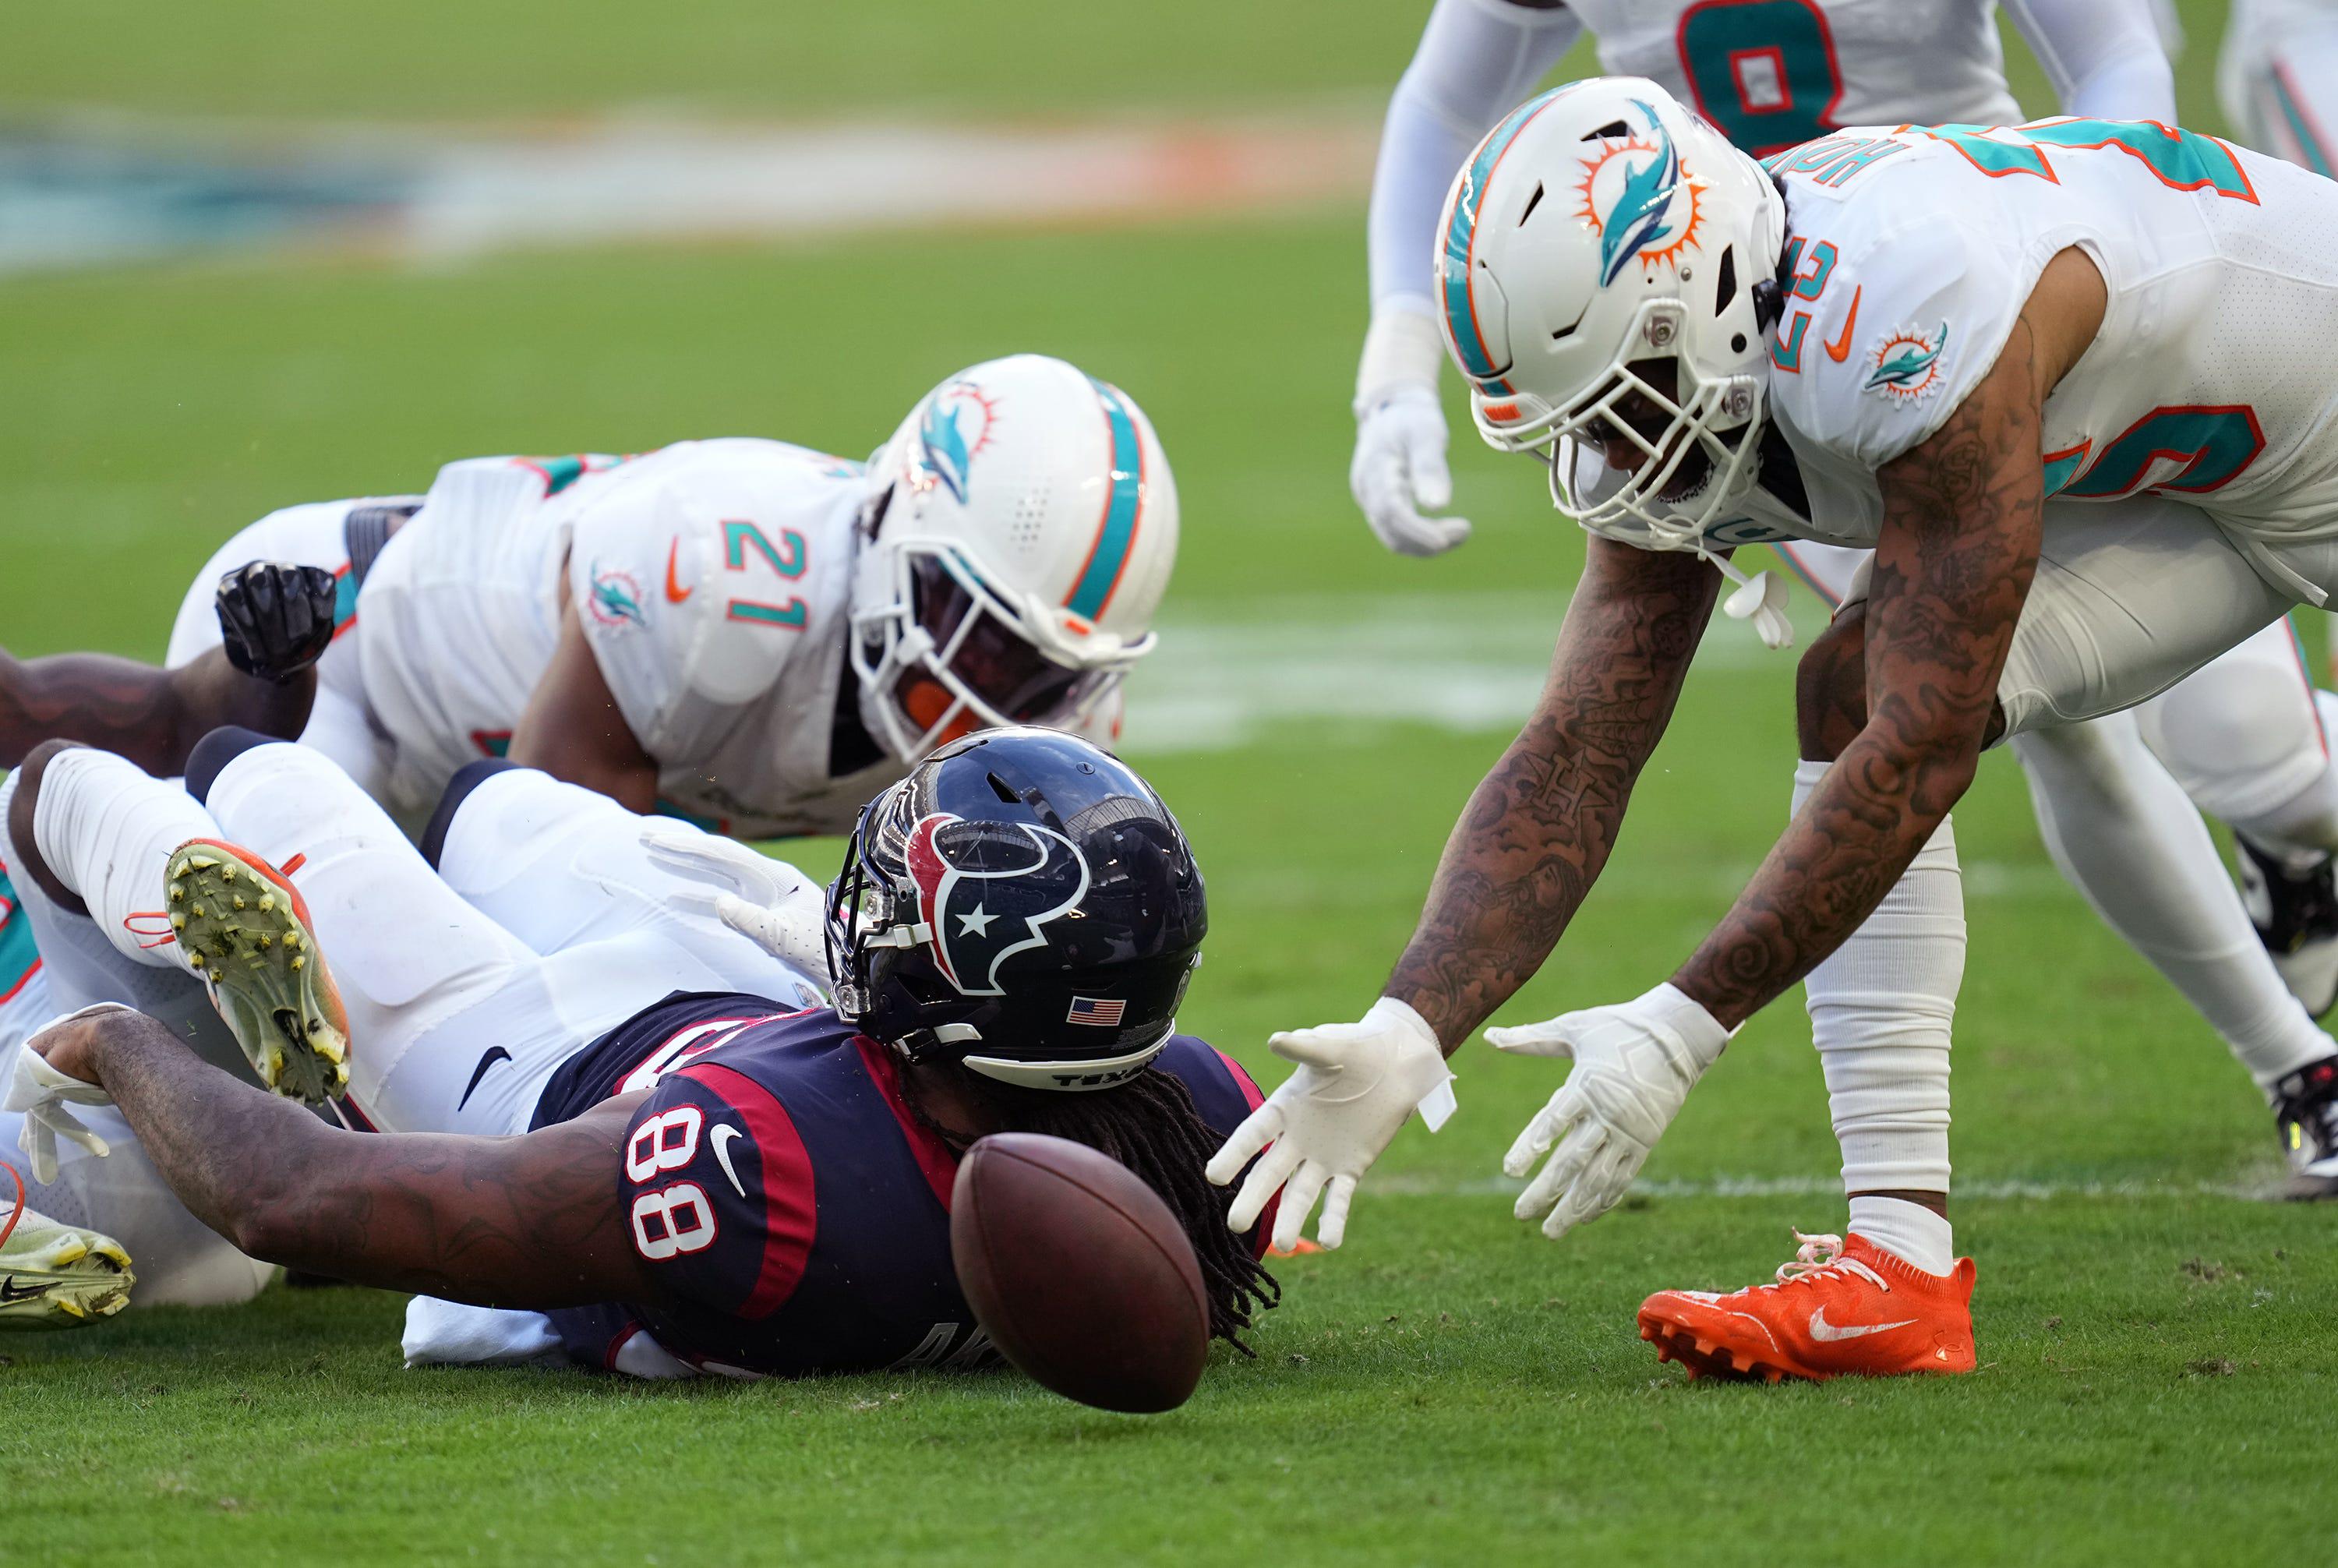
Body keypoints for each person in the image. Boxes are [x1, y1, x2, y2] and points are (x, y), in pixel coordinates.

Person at [1220, 79, 2338, 1381]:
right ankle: (1897, 1274)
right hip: (2194, 467)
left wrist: (1682, 1027)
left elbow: (1921, 753)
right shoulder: (1717, 308)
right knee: (1851, 684)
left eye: (1625, 391)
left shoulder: (1908, 304)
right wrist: (1410, 1026)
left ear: (1697, 298)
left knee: (1891, 704)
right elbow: (1581, 746)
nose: (1611, 444)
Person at [0, 353, 1179, 1068]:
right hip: (347, 671)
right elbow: (545, 865)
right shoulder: (729, 583)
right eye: (969, 627)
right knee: (279, 1026)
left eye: (1037, 672)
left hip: (515, 776)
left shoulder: (1058, 732)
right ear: (894, 533)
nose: (992, 695)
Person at [1, 726, 1277, 1375]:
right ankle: (250, 862)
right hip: (749, 997)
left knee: (253, 772)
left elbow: (293, 1201)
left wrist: (117, 1042)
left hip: (525, 1062)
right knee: (493, 804)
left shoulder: (760, 1173)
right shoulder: (1199, 1132)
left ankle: (137, 854)